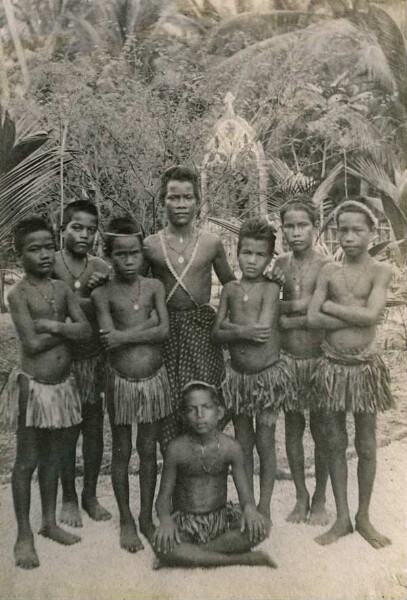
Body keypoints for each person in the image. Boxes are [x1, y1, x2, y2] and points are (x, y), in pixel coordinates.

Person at [2, 216, 91, 569]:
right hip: (33, 388)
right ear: (18, 253)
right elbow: (33, 343)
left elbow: (85, 331)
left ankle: (49, 522)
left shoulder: (63, 289)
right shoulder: (17, 294)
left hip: (63, 386)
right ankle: (24, 534)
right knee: (27, 460)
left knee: (54, 457)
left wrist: (57, 325)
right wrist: (68, 329)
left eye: (47, 247)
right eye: (33, 249)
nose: (42, 255)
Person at [307, 198, 395, 548]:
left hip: (364, 368)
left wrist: (329, 305)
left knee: (367, 444)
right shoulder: (329, 271)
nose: (349, 237)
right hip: (332, 366)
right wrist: (343, 311)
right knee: (333, 441)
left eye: (358, 230)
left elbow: (373, 316)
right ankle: (342, 517)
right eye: (343, 230)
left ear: (373, 232)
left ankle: (364, 517)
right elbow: (313, 319)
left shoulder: (380, 271)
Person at [92, 217, 172, 551]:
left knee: (149, 451)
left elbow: (163, 331)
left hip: (154, 380)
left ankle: (144, 516)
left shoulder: (154, 287)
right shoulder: (102, 294)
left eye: (135, 254)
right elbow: (110, 341)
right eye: (121, 254)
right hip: (121, 382)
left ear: (143, 254)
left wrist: (132, 333)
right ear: (109, 255)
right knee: (123, 451)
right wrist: (145, 327)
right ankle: (126, 519)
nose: (128, 260)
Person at [143, 165, 235, 450]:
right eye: (174, 197)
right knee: (170, 403)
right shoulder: (151, 245)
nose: (181, 204)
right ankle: (177, 477)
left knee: (205, 402)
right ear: (162, 201)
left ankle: (206, 481)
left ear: (198, 201)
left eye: (187, 197)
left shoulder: (211, 242)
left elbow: (231, 286)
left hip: (203, 334)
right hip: (166, 334)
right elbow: (139, 291)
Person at [213, 217, 295, 526]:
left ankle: (265, 506)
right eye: (247, 252)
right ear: (237, 253)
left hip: (266, 377)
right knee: (242, 442)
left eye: (260, 255)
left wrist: (233, 328)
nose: (252, 260)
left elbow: (261, 330)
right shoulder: (230, 289)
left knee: (265, 441)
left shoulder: (271, 288)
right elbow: (215, 332)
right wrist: (237, 330)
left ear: (269, 257)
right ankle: (247, 505)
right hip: (238, 378)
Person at [153, 380, 276, 569]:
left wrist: (250, 509)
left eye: (206, 407)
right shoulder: (176, 449)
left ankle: (191, 556)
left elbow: (246, 496)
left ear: (219, 412)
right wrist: (166, 520)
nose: (200, 415)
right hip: (186, 522)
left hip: (220, 521)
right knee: (161, 543)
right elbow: (162, 500)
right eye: (192, 409)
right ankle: (242, 559)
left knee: (262, 528)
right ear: (183, 416)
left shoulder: (231, 447)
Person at [54, 199, 112, 527]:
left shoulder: (102, 269)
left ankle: (90, 494)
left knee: (92, 428)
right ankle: (68, 497)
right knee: (66, 430)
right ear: (62, 228)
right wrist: (84, 302)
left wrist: (100, 294)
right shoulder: (52, 265)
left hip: (93, 362)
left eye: (91, 230)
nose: (84, 235)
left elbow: (116, 306)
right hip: (63, 363)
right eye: (77, 227)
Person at [272, 199, 330, 525]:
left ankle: (320, 496)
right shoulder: (279, 265)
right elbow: (270, 307)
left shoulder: (327, 265)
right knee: (293, 428)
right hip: (289, 359)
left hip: (318, 359)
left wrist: (290, 314)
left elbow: (319, 314)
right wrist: (299, 312)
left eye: (302, 225)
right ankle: (300, 495)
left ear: (315, 227)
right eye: (289, 226)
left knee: (321, 429)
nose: (295, 233)